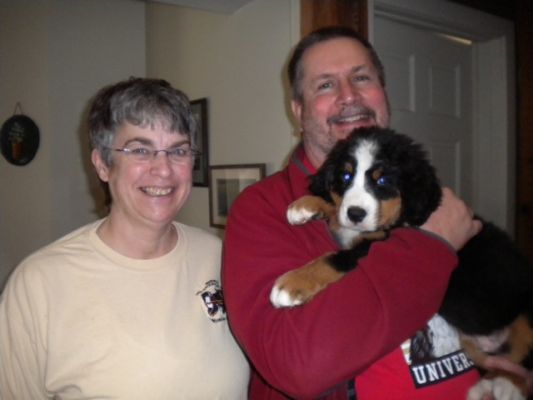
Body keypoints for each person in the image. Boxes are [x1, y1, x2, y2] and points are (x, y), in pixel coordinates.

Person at [223, 26, 488, 399]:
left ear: (384, 96)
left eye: (361, 78)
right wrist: (431, 245)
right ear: (298, 112)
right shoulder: (263, 208)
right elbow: (298, 366)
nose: (350, 95)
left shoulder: (418, 190)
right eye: (326, 85)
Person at [0, 78, 250, 399]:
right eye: (140, 150)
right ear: (103, 164)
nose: (163, 169)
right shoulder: (39, 284)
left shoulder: (220, 257)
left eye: (178, 150)